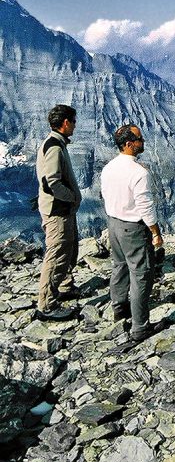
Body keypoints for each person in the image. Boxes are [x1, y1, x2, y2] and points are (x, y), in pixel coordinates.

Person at [100, 124, 163, 348]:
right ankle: (140, 328)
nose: (143, 141)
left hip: (113, 224)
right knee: (141, 274)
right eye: (139, 139)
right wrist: (155, 232)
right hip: (133, 228)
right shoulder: (139, 173)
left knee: (119, 266)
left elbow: (105, 194)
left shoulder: (108, 167)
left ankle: (119, 309)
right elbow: (145, 206)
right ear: (129, 144)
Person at [35, 104, 82, 320]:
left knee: (68, 250)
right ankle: (46, 305)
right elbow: (51, 182)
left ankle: (64, 286)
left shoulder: (54, 143)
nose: (75, 125)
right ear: (65, 123)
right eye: (73, 121)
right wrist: (71, 196)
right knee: (57, 255)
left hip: (60, 209)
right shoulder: (54, 147)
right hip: (58, 211)